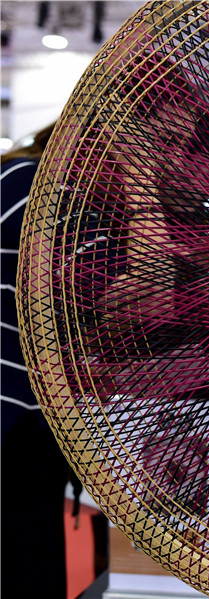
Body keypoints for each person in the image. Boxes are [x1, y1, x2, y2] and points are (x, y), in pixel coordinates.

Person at [2, 122, 82, 598]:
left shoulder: (24, 178)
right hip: (19, 419)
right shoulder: (39, 190)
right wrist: (142, 200)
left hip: (31, 420)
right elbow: (140, 300)